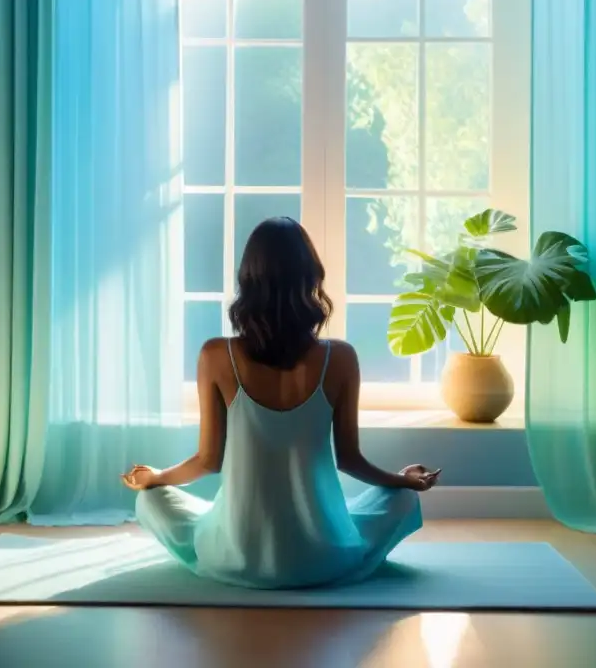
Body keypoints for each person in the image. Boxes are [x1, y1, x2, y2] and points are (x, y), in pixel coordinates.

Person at [121, 217, 440, 589]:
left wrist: (156, 478)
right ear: (310, 279)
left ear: (248, 281)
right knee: (402, 501)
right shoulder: (340, 357)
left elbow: (208, 461)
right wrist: (403, 482)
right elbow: (350, 460)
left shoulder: (215, 355)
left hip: (236, 557)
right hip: (324, 558)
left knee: (149, 501)